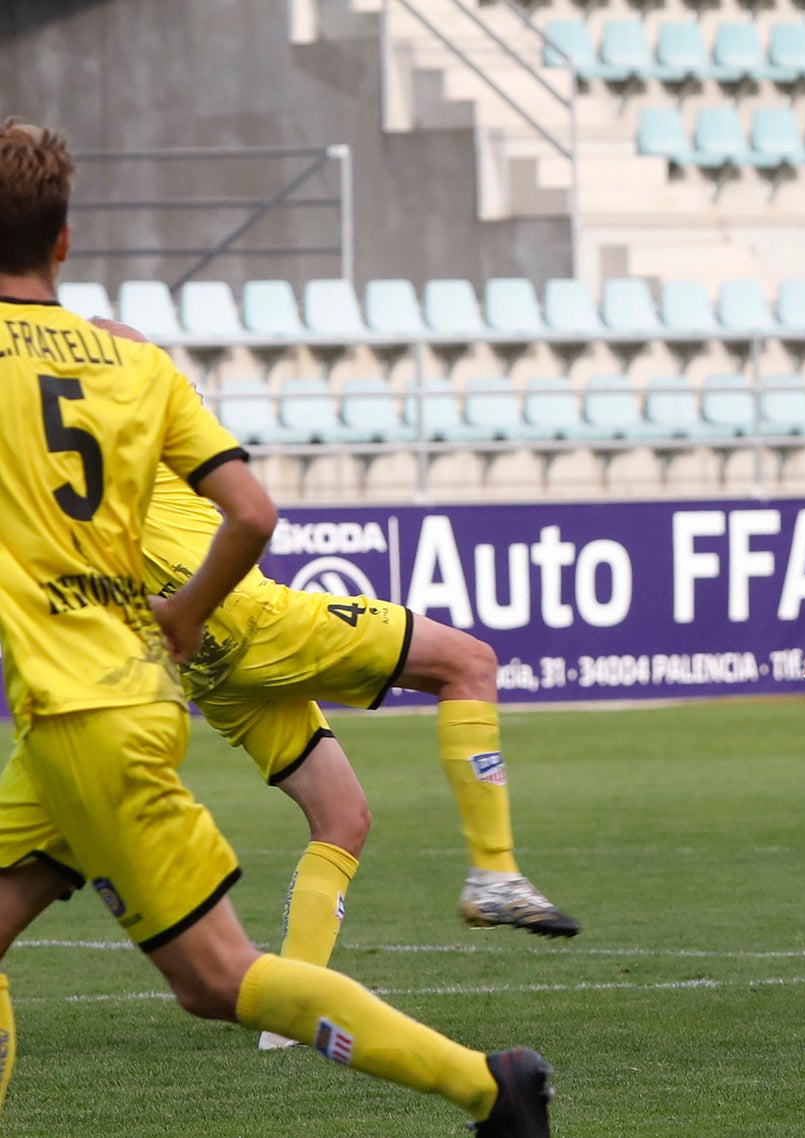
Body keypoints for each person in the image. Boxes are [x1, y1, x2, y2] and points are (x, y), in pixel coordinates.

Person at [0, 118, 552, 1135]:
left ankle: (490, 1086)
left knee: (217, 978)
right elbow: (252, 509)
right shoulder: (134, 362)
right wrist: (179, 614)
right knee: (321, 840)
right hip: (110, 695)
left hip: (88, 718)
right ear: (66, 240)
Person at [90, 318, 579, 1052]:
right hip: (242, 613)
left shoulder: (69, 466)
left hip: (197, 664)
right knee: (470, 663)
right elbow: (241, 501)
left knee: (343, 818)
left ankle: (287, 1019)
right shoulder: (143, 402)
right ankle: (495, 874)